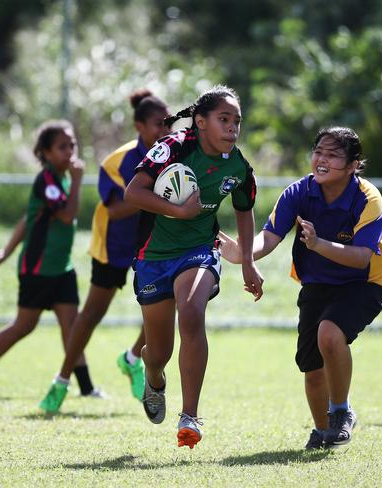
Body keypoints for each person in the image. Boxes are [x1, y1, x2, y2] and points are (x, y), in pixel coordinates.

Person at [220, 126, 382, 449]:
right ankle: (323, 429)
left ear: (354, 164)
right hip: (317, 283)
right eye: (319, 152)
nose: (322, 160)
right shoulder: (298, 192)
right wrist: (240, 253)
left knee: (330, 333)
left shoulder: (368, 198)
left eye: (333, 155)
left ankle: (341, 413)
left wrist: (318, 244)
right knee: (311, 368)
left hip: (365, 282)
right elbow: (268, 239)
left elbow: (360, 258)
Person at [123, 85, 263, 449]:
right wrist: (179, 210)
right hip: (153, 256)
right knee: (158, 353)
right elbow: (133, 193)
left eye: (237, 121)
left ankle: (190, 415)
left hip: (199, 249)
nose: (233, 128)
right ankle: (153, 378)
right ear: (200, 122)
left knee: (191, 312)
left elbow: (244, 212)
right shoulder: (172, 148)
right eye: (224, 119)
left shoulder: (237, 165)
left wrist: (247, 262)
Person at [39, 89, 171, 412]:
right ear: (139, 126)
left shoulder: (174, 153)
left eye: (169, 124)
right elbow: (114, 209)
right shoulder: (117, 161)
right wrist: (150, 193)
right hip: (113, 243)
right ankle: (62, 380)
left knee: (167, 305)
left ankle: (131, 358)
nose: (165, 131)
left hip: (151, 242)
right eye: (158, 125)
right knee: (92, 314)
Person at [0, 120, 90, 398]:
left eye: (72, 145)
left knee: (72, 326)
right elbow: (66, 215)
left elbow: (29, 217)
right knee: (24, 326)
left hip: (61, 268)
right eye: (62, 147)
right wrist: (78, 181)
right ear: (46, 153)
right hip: (38, 268)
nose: (69, 151)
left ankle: (87, 388)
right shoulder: (47, 180)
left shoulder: (63, 177)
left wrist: (5, 251)